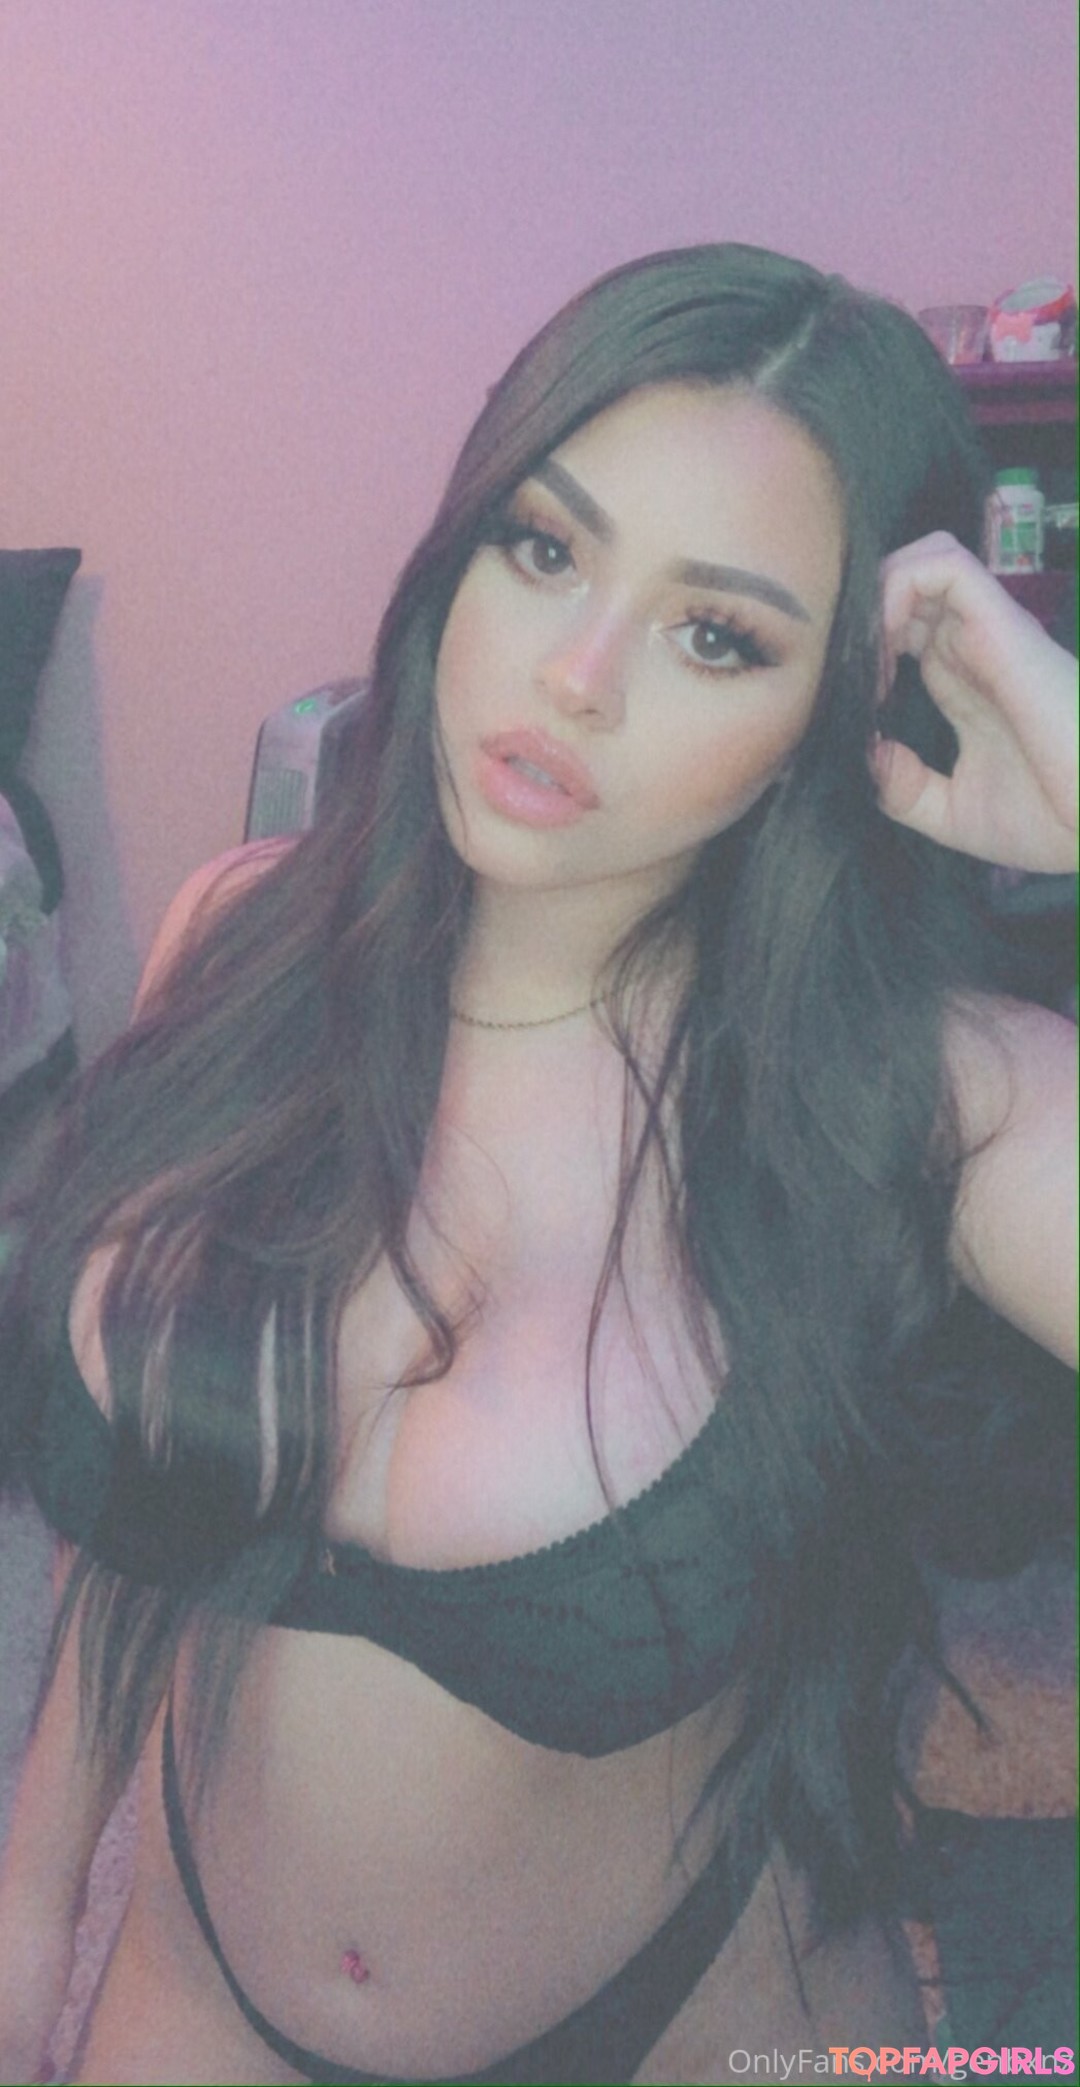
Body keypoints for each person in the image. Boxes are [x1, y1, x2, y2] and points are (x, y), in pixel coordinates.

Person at [0, 242, 1075, 2087]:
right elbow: (156, 1513)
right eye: (547, 546)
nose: (575, 677)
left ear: (840, 710)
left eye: (717, 635)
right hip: (190, 1992)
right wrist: (30, 1908)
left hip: (701, 2027)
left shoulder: (927, 1098)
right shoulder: (237, 939)